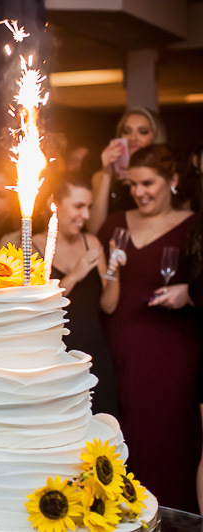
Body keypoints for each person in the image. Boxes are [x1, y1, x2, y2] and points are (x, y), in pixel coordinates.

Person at [99, 144, 201, 513]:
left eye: (148, 183)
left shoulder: (194, 224)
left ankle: (170, 516)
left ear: (172, 180)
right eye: (133, 185)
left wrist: (188, 293)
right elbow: (102, 283)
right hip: (118, 349)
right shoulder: (115, 222)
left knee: (168, 432)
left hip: (172, 350)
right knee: (121, 433)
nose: (139, 192)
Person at [31, 174, 121, 416]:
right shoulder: (33, 248)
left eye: (89, 207)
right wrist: (75, 274)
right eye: (79, 206)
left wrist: (114, 270)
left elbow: (108, 306)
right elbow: (37, 306)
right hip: (54, 357)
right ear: (55, 205)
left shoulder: (91, 243)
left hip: (94, 354)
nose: (87, 215)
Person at [88, 107, 167, 233]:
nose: (133, 138)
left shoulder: (164, 176)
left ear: (155, 137)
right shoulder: (101, 176)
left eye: (142, 132)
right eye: (127, 131)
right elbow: (94, 230)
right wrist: (107, 174)